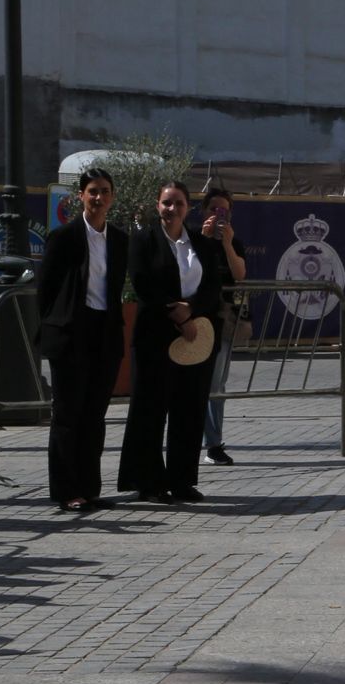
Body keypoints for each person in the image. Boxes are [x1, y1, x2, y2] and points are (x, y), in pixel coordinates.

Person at [117, 182, 226, 505]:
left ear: (187, 207)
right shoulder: (143, 240)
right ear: (157, 205)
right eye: (166, 203)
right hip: (156, 335)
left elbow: (212, 286)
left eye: (178, 203)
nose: (171, 209)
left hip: (195, 337)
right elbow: (143, 283)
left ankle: (182, 480)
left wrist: (191, 311)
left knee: (189, 409)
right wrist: (177, 314)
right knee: (150, 409)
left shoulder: (201, 245)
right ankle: (148, 482)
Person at [35, 167, 127, 513]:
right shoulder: (64, 237)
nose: (99, 198)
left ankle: (89, 488)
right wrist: (53, 327)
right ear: (81, 197)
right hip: (71, 332)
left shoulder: (119, 239)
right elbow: (46, 291)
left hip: (104, 332)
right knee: (68, 415)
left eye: (104, 191)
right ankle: (66, 490)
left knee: (94, 416)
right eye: (92, 192)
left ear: (112, 197)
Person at [197, 184, 247, 466]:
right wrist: (204, 240)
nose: (219, 216)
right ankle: (204, 439)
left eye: (224, 211)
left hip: (223, 318)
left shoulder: (233, 241)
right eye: (214, 210)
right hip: (196, 318)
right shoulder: (193, 238)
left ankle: (214, 442)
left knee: (217, 383)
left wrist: (227, 243)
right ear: (204, 211)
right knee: (200, 383)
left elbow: (240, 273)